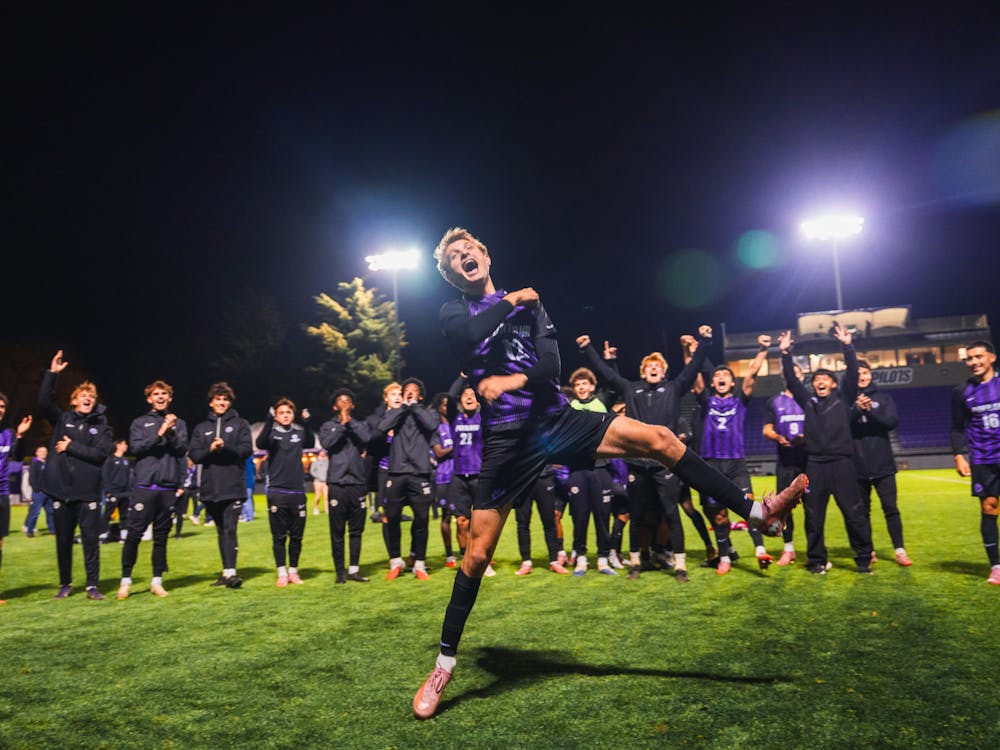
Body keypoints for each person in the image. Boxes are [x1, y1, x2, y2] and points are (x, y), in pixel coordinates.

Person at [413, 228, 806, 718]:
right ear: (452, 275)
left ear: (486, 254)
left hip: (555, 421)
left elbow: (551, 366)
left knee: (661, 439)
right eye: (454, 258)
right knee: (476, 555)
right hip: (506, 440)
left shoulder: (533, 307)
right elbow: (471, 335)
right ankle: (444, 665)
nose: (463, 256)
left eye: (468, 248)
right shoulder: (457, 312)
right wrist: (512, 299)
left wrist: (513, 373)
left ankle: (757, 512)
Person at [576, 329, 710, 583]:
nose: (653, 368)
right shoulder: (631, 389)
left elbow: (692, 370)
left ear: (664, 371)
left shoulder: (673, 388)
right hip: (637, 465)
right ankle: (636, 562)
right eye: (649, 366)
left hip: (665, 465)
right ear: (642, 372)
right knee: (637, 515)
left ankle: (680, 565)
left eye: (657, 366)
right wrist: (587, 349)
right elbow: (607, 375)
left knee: (671, 513)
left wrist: (705, 342)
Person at [779, 326, 873, 575]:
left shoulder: (843, 398)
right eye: (816, 379)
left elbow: (852, 373)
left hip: (842, 464)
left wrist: (848, 346)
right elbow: (791, 380)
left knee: (854, 514)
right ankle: (817, 560)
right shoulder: (808, 402)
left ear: (833, 384)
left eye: (824, 379)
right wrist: (786, 354)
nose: (819, 381)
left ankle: (863, 559)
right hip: (815, 465)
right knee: (813, 517)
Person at [37, 350, 114, 600]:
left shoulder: (102, 426)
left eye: (91, 396)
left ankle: (92, 585)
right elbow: (43, 403)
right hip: (62, 491)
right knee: (63, 541)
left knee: (91, 541)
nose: (87, 398)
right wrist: (53, 375)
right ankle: (65, 583)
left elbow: (100, 454)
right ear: (73, 401)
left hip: (88, 492)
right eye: (83, 395)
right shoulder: (63, 420)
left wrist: (71, 447)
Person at [696, 335, 770, 575]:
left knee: (749, 508)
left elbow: (751, 375)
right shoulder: (707, 402)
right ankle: (725, 558)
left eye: (725, 376)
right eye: (717, 376)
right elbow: (694, 378)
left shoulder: (739, 403)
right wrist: (690, 350)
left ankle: (760, 550)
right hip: (711, 464)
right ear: (712, 383)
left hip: (736, 464)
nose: (720, 378)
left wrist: (762, 349)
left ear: (731, 383)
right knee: (718, 515)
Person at [118, 380, 189, 599]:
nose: (160, 397)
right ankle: (126, 580)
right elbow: (137, 447)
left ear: (170, 398)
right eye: (156, 394)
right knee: (134, 535)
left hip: (167, 489)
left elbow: (181, 451)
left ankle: (157, 581)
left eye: (164, 394)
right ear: (149, 398)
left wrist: (179, 484)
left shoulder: (179, 423)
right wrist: (160, 431)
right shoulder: (140, 422)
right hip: (145, 486)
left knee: (161, 537)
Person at [189, 382, 253, 588]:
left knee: (231, 529)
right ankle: (225, 572)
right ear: (211, 402)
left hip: (233, 486)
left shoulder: (240, 423)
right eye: (218, 399)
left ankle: (232, 573)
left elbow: (246, 450)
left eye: (225, 399)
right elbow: (195, 455)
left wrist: (225, 448)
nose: (222, 403)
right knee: (220, 531)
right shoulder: (202, 427)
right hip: (211, 487)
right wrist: (210, 448)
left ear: (230, 402)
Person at [378, 377, 440, 580]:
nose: (410, 393)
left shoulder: (427, 413)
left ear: (420, 396)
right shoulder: (397, 413)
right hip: (396, 472)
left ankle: (419, 564)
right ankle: (395, 561)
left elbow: (432, 425)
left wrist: (414, 407)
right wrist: (403, 407)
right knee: (392, 518)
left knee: (422, 519)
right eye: (407, 391)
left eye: (414, 391)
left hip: (420, 473)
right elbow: (382, 426)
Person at [851, 361, 911, 567]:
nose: (862, 377)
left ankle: (900, 550)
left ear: (871, 375)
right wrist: (857, 410)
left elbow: (891, 422)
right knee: (862, 513)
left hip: (883, 466)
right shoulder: (846, 399)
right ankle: (869, 550)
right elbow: (842, 425)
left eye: (865, 373)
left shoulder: (884, 398)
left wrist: (870, 411)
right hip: (857, 467)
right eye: (858, 373)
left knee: (891, 509)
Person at [950, 340, 1000, 584]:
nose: (973, 362)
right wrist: (959, 454)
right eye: (969, 358)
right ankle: (996, 566)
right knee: (989, 508)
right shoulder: (962, 391)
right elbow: (957, 428)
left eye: (978, 356)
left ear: (992, 357)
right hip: (983, 458)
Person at [257, 398, 314, 587]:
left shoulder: (298, 432)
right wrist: (268, 420)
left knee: (297, 536)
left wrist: (307, 422)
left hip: (297, 491)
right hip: (277, 491)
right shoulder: (272, 434)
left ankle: (293, 571)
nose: (285, 415)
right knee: (279, 535)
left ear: (293, 414)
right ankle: (281, 572)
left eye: (288, 412)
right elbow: (260, 442)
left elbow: (310, 442)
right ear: (277, 416)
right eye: (281, 413)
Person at [565, 367, 616, 576]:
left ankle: (603, 559)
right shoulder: (570, 407)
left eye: (584, 383)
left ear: (592, 386)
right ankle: (581, 559)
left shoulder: (601, 402)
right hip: (578, 468)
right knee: (580, 515)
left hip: (600, 467)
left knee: (603, 515)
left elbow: (614, 384)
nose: (581, 387)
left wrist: (610, 361)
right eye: (577, 385)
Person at [320, 388, 372, 583]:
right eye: (340, 401)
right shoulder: (328, 426)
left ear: (352, 405)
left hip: (357, 483)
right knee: (337, 531)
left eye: (347, 401)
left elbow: (367, 439)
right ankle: (340, 571)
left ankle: (354, 569)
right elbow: (328, 443)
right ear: (335, 406)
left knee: (356, 530)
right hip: (337, 483)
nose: (344, 404)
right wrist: (341, 425)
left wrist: (350, 423)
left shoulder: (361, 425)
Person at [762, 363, 807, 565]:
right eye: (789, 374)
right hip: (785, 463)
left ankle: (815, 550)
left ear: (802, 376)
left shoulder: (809, 400)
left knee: (813, 508)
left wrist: (805, 437)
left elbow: (819, 427)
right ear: (784, 378)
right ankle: (788, 549)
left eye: (796, 374)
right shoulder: (774, 401)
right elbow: (766, 429)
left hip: (808, 462)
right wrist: (778, 437)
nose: (792, 377)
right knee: (784, 509)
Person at [0, 392, 31, 603]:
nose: (0, 409)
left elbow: (17, 457)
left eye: (2, 406)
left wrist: (20, 435)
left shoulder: (8, 434)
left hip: (2, 494)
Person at [101, 439, 133, 543]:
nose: (126, 446)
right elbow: (105, 476)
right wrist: (109, 490)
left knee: (125, 515)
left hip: (125, 493)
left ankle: (123, 536)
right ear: (118, 445)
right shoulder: (109, 460)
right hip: (113, 492)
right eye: (124, 444)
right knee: (108, 514)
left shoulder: (126, 460)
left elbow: (129, 477)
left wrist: (130, 491)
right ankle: (103, 535)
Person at [23, 445, 54, 538]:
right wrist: (37, 489)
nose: (43, 453)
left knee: (51, 512)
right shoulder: (34, 463)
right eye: (41, 451)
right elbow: (31, 479)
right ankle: (30, 531)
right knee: (35, 512)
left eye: (45, 451)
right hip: (39, 493)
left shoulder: (49, 463)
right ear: (37, 453)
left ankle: (53, 531)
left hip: (49, 492)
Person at [310, 450, 329, 515]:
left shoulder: (328, 461)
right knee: (318, 496)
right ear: (319, 453)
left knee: (326, 496)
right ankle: (315, 508)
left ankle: (327, 509)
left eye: (324, 452)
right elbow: (312, 471)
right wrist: (318, 477)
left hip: (326, 482)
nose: (323, 453)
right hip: (318, 482)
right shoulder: (315, 461)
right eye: (321, 452)